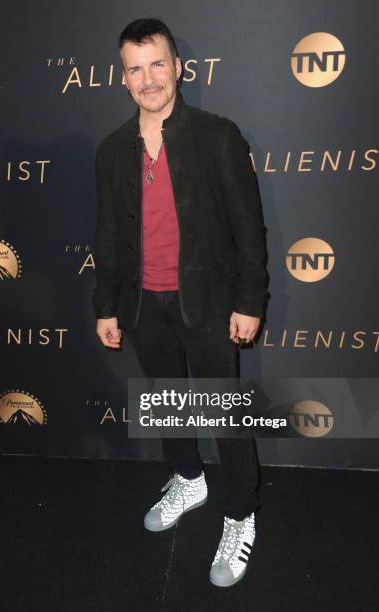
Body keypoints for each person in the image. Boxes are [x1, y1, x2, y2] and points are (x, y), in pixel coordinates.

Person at [92, 17, 269, 588]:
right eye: (135, 68)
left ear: (178, 68)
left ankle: (240, 515)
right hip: (146, 307)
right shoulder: (113, 151)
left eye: (157, 64)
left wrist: (250, 301)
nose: (148, 79)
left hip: (211, 304)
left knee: (227, 418)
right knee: (167, 401)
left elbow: (249, 228)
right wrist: (106, 305)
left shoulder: (217, 136)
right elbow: (107, 237)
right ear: (124, 78)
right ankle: (188, 478)